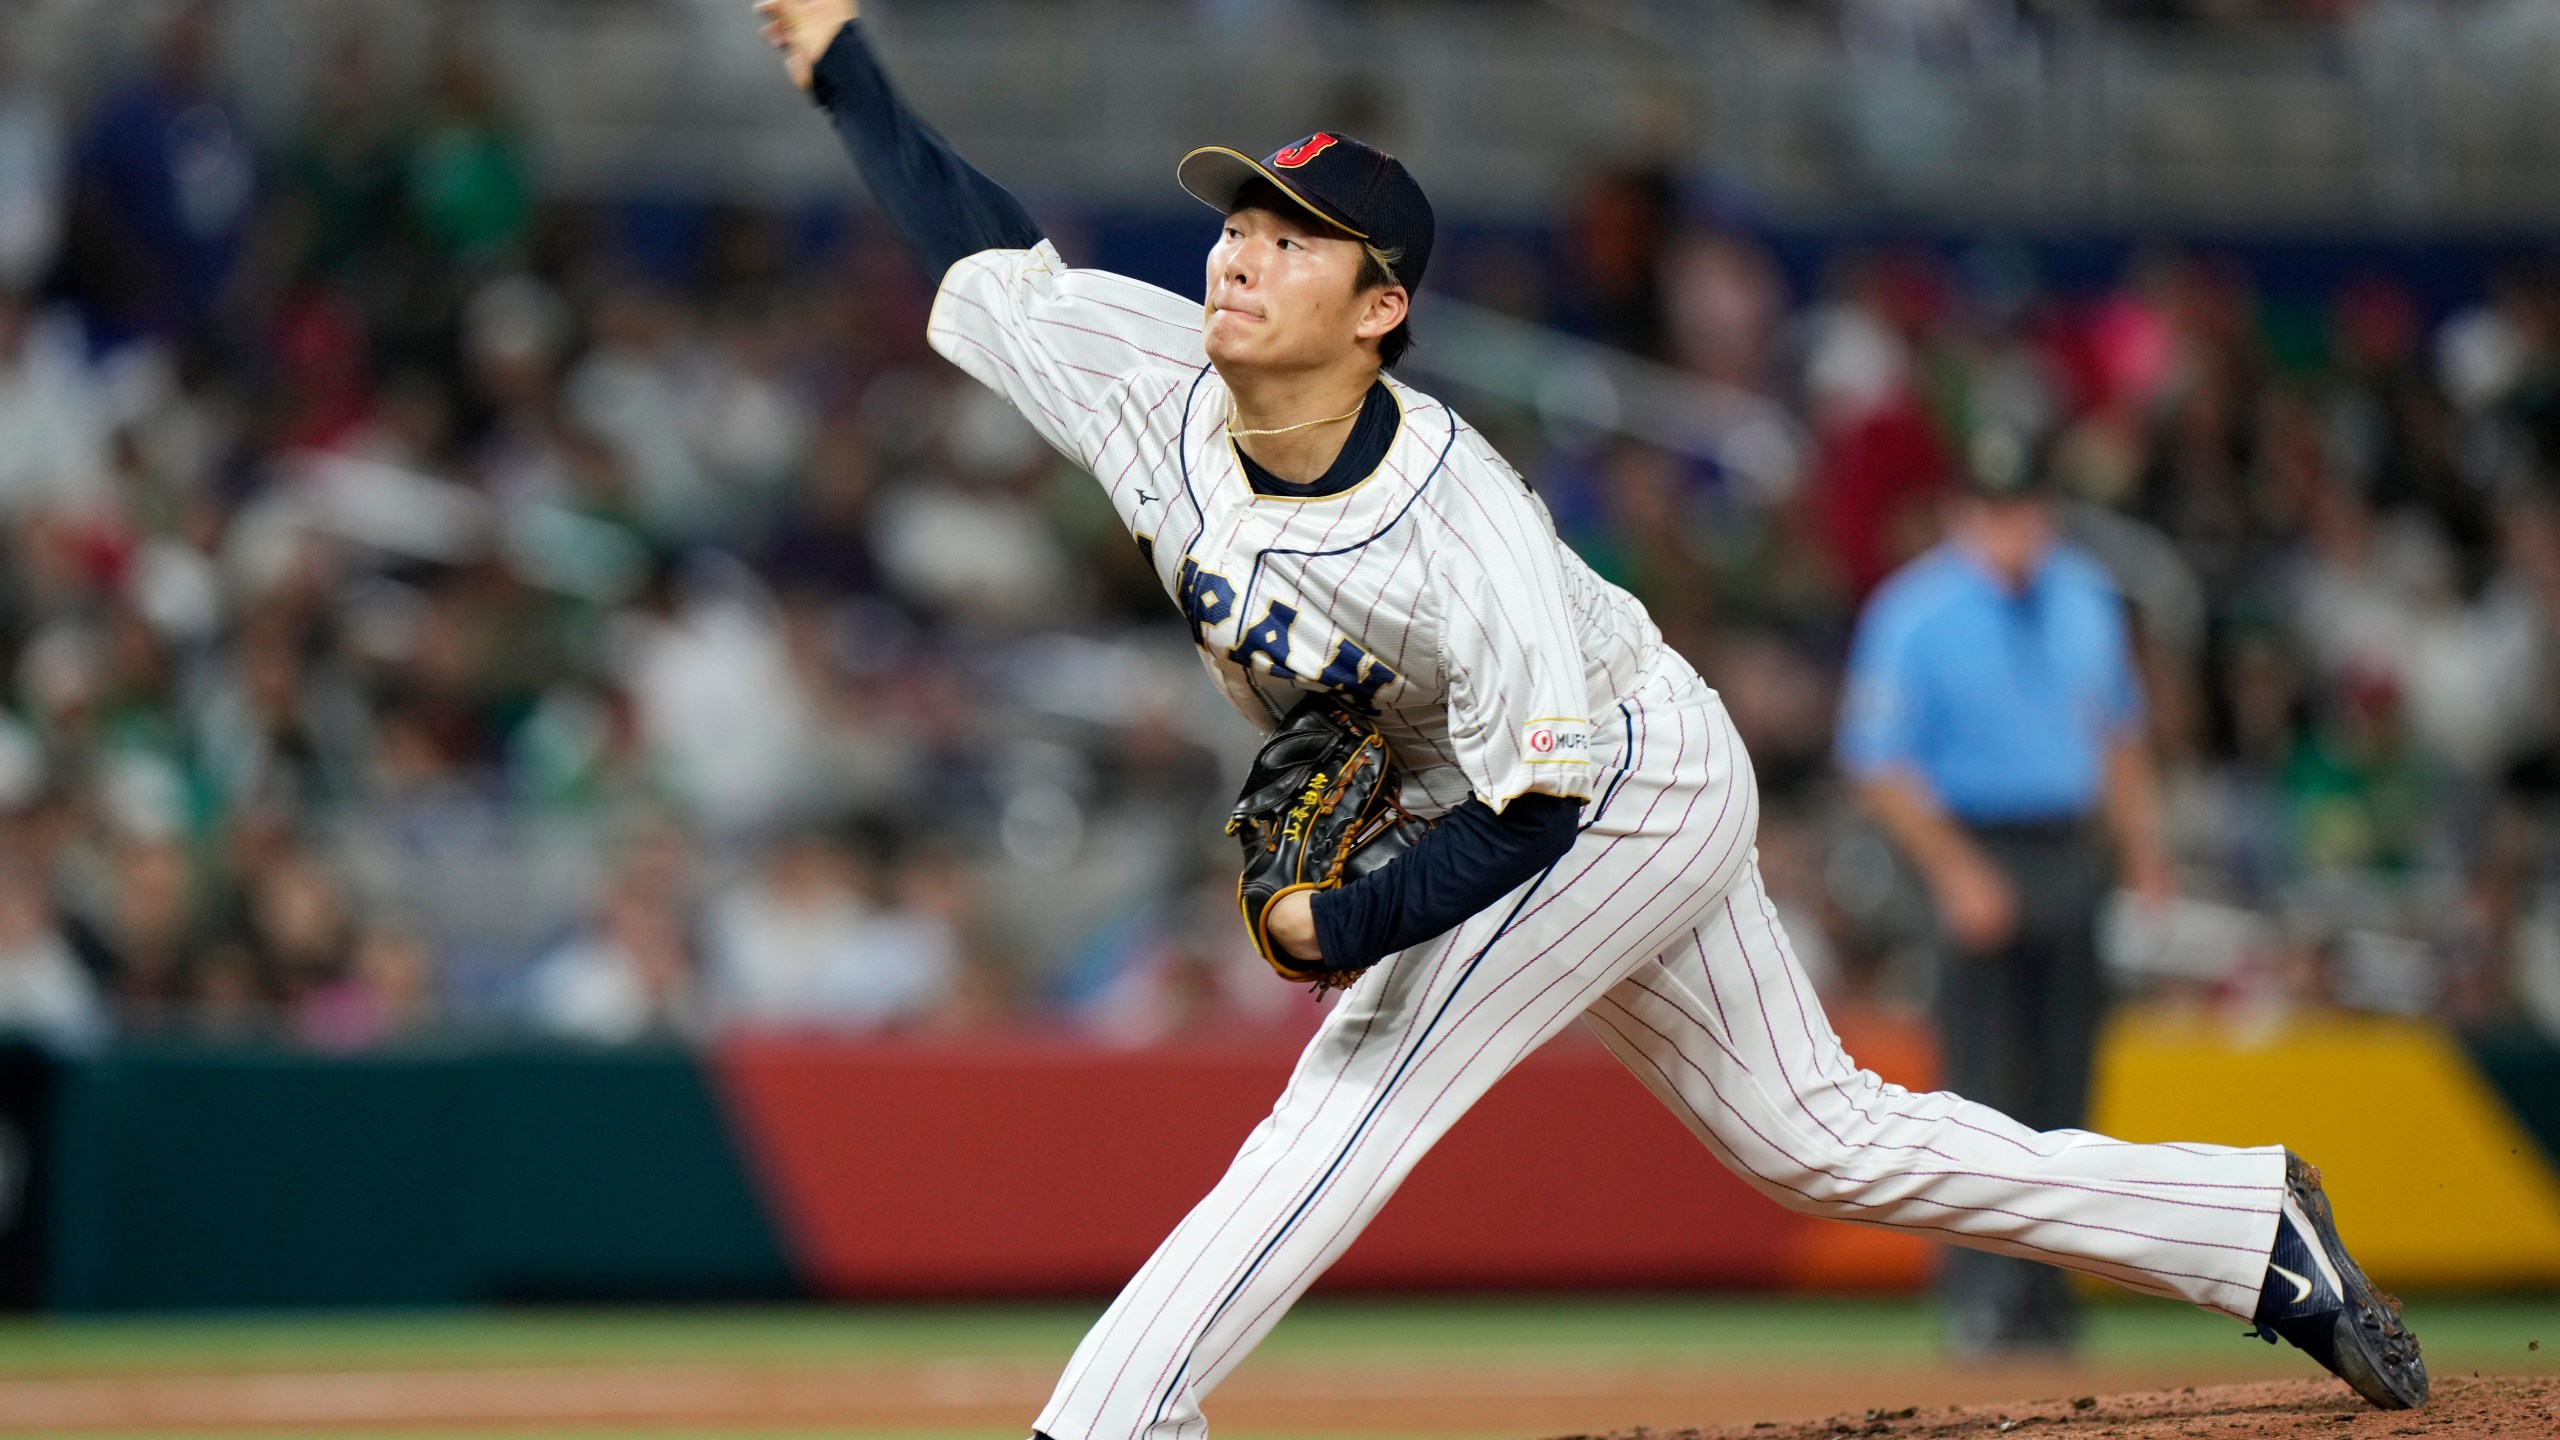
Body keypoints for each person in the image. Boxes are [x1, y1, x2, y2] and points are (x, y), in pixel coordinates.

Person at [751, 2, 2430, 1432]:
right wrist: (846, 62)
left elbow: (1537, 807)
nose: (1242, 254)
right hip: (1527, 772)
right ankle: (2243, 1222)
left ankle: (1110, 1417)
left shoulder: (1449, 517)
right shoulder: (1146, 377)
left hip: (1611, 782)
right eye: (1240, 222)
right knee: (1820, 1141)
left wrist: (1361, 913)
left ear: (1382, 309)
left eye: (1292, 239)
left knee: (1360, 1083)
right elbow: (978, 247)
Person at [1837, 424, 2173, 1355]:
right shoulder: (1914, 612)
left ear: (2048, 512)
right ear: (1961, 515)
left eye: (2024, 508)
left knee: (2068, 1085)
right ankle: (1979, 1296)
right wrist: (1954, 873)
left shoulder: (2087, 599)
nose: (2011, 528)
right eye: (1993, 510)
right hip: (1971, 844)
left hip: (2070, 848)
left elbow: (2119, 735)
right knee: (1981, 1092)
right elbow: (1879, 764)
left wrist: (2145, 847)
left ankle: (2050, 1297)